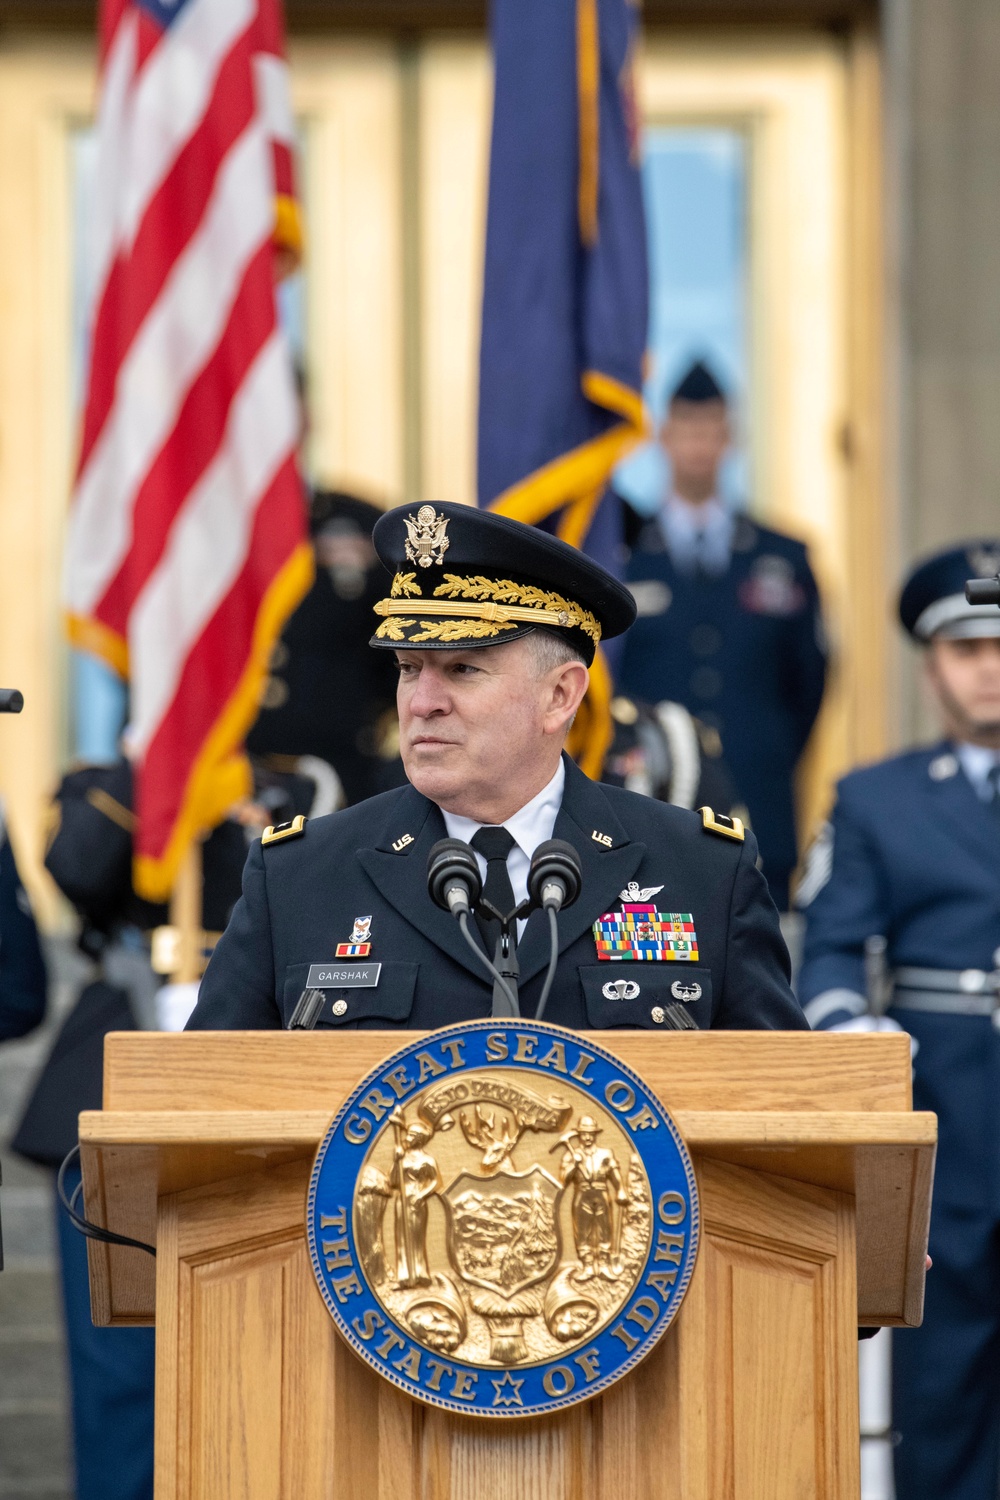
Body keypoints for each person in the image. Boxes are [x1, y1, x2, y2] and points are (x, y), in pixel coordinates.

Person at [189, 501, 805, 1034]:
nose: (422, 702)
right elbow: (193, 1121)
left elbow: (788, 1126)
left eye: (462, 669)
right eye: (408, 668)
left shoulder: (704, 874)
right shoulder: (298, 878)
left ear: (561, 696)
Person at [797, 540, 1000, 1500]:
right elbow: (830, 943)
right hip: (948, 1108)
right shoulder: (875, 799)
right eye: (968, 650)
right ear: (931, 666)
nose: (990, 667)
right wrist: (847, 1031)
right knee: (947, 1359)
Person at [615, 360, 827, 909]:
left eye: (712, 431)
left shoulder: (783, 557)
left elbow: (810, 681)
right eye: (687, 429)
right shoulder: (623, 557)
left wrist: (770, 751)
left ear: (731, 439)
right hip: (652, 806)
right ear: (663, 437)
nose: (699, 446)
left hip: (758, 803)